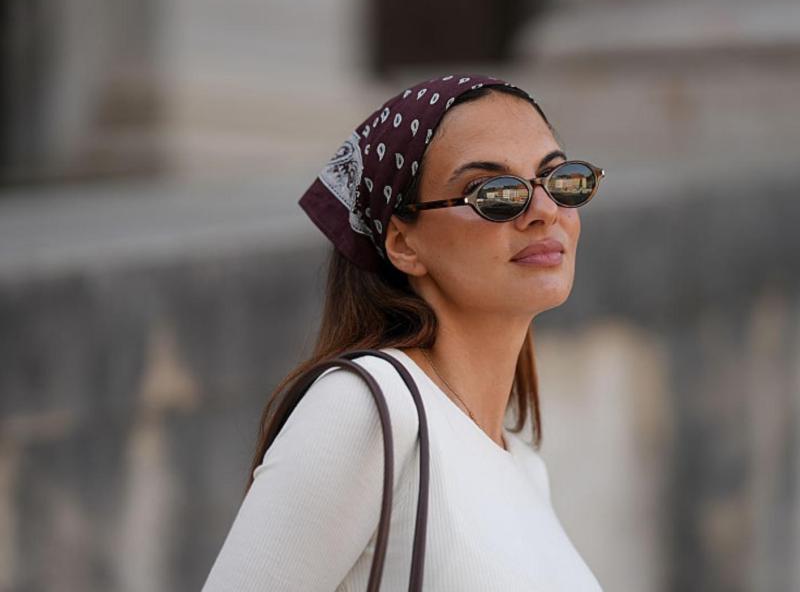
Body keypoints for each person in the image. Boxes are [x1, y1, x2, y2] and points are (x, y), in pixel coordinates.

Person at [202, 74, 606, 591]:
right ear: (403, 243)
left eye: (560, 180)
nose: (545, 212)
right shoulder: (367, 406)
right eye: (496, 193)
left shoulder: (524, 466)